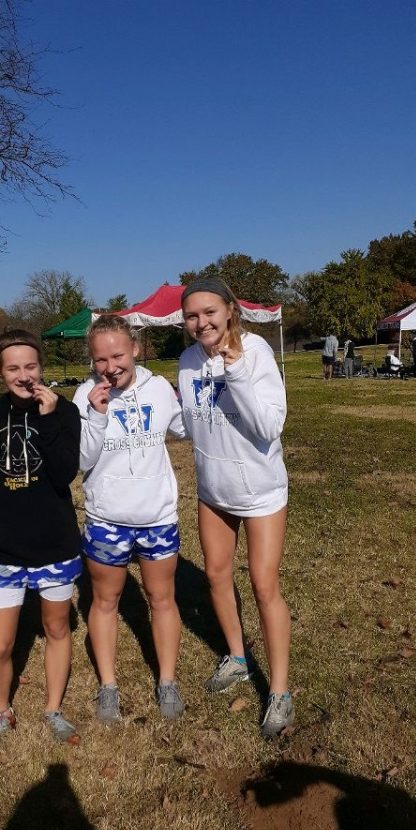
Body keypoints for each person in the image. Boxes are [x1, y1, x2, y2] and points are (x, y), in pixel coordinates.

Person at [0, 330, 82, 753]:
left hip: (55, 543)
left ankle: (52, 710)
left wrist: (46, 419)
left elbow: (65, 473)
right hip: (6, 545)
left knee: (56, 627)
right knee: (0, 642)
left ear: (41, 367)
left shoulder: (64, 412)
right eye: (13, 368)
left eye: (30, 366)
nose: (24, 375)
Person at [177, 278, 293, 739]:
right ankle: (238, 658)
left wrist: (236, 370)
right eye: (191, 316)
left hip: (261, 490)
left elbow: (268, 426)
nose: (201, 322)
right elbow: (190, 422)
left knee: (265, 586)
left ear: (229, 310)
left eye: (209, 312)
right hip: (213, 489)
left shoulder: (257, 352)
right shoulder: (187, 362)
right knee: (216, 575)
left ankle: (280, 690)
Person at [72, 315, 187, 723]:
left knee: (162, 598)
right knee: (105, 601)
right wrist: (98, 415)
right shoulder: (85, 395)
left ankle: (168, 680)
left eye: (118, 355)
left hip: (156, 516)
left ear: (135, 349)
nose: (110, 366)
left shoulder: (158, 390)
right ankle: (108, 685)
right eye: (100, 359)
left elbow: (185, 428)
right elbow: (79, 461)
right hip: (107, 518)